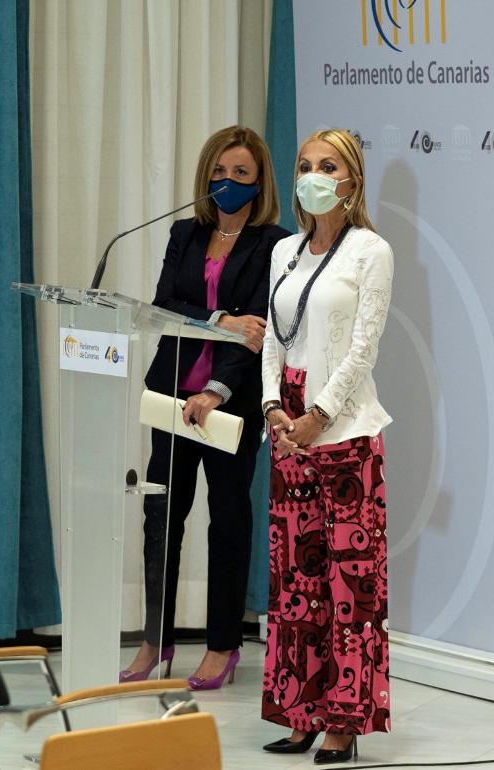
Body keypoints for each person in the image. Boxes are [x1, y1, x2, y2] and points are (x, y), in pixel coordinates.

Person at [122, 125, 290, 690]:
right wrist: (217, 319)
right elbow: (165, 302)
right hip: (171, 394)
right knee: (160, 519)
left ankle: (222, 646)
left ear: (259, 181)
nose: (227, 182)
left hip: (228, 405)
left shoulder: (274, 244)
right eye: (219, 172)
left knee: (228, 520)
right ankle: (155, 638)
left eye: (240, 173)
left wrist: (215, 388)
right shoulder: (184, 234)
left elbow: (260, 334)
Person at [259, 128, 393, 764]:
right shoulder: (285, 250)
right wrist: (269, 408)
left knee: (346, 586)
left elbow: (364, 347)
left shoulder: (371, 250)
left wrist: (316, 415)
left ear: (352, 179)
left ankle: (343, 720)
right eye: (305, 165)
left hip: (343, 436)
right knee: (295, 584)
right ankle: (299, 711)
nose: (313, 175)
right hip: (288, 435)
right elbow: (271, 339)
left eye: (328, 166)